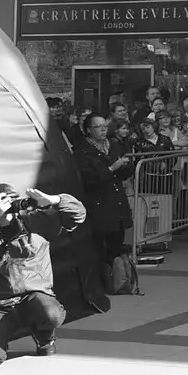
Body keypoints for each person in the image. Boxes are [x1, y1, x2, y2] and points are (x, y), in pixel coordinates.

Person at [0, 184, 87, 368]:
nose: (7, 205)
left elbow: (78, 215)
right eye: (1, 201)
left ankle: (45, 338)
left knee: (51, 314)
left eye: (11, 200)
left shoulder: (35, 223)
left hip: (34, 298)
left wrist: (54, 200)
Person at [74, 114, 135, 267]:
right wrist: (111, 168)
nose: (103, 130)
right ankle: (102, 278)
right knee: (100, 247)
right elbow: (88, 179)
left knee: (117, 243)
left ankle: (115, 278)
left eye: (105, 126)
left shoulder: (114, 145)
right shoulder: (82, 151)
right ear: (88, 130)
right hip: (99, 204)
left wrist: (126, 167)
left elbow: (124, 172)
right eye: (98, 127)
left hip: (117, 201)